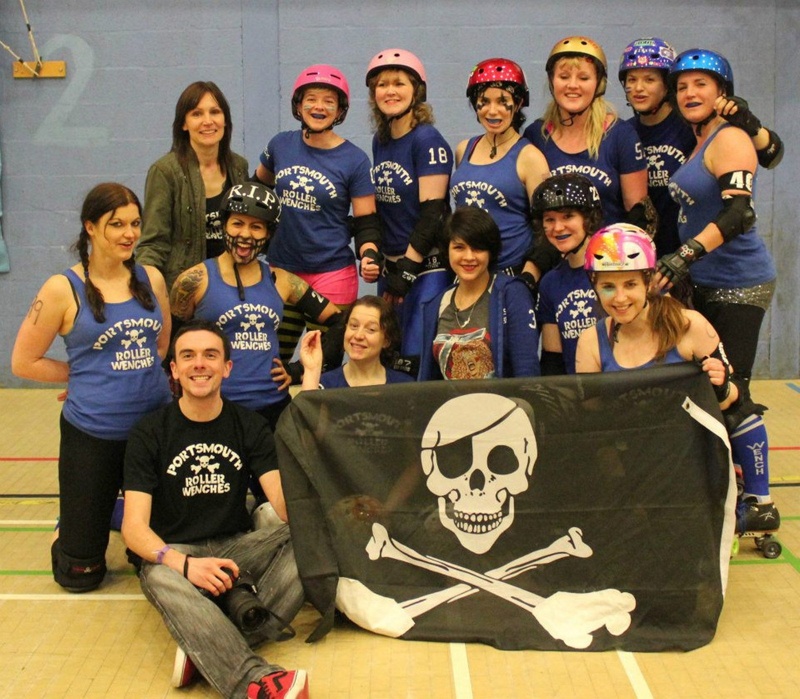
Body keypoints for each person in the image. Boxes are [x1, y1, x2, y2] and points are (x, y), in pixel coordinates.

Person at [122, 320, 308, 698]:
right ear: (174, 369)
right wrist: (184, 565)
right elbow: (134, 529)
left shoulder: (251, 426)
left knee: (310, 537)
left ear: (227, 367)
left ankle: (203, 645)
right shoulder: (149, 432)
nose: (199, 364)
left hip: (238, 551)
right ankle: (253, 681)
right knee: (156, 574)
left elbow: (286, 509)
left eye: (211, 355)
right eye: (187, 356)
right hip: (179, 557)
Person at [11, 183, 172, 592]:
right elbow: (23, 362)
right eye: (116, 224)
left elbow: (162, 344)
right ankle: (81, 518)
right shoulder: (61, 288)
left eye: (135, 223)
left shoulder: (151, 277)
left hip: (153, 433)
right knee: (80, 577)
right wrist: (80, 373)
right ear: (90, 228)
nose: (128, 233)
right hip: (93, 435)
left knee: (156, 563)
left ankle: (118, 511)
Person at [653, 48, 779, 532]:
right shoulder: (701, 136)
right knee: (712, 385)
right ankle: (729, 490)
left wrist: (685, 255)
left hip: (739, 283)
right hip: (709, 281)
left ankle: (761, 502)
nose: (688, 93)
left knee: (729, 389)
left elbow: (738, 214)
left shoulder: (728, 137)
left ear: (721, 91)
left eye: (700, 85)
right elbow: (775, 151)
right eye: (682, 86)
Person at [170, 182, 343, 433]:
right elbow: (170, 344)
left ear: (268, 233)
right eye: (238, 223)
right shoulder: (194, 280)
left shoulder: (282, 280)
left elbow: (339, 321)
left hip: (272, 406)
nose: (246, 235)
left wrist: (297, 371)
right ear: (224, 225)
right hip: (214, 406)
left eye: (256, 226)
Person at [253, 64, 381, 361]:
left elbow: (366, 221)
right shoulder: (281, 144)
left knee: (323, 365)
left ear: (340, 111)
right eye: (311, 98)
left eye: (329, 101)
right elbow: (257, 188)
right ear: (299, 105)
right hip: (282, 271)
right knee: (272, 361)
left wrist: (370, 253)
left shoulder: (354, 160)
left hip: (330, 273)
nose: (319, 106)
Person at [617, 37, 784, 260]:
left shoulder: (691, 123)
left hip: (696, 251)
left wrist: (750, 124)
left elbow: (771, 156)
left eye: (649, 79)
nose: (638, 88)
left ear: (666, 86)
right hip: (649, 252)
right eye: (632, 79)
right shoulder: (623, 132)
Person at [523, 36, 651, 265]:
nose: (573, 85)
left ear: (598, 84)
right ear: (552, 82)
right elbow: (531, 214)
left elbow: (640, 215)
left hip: (610, 263)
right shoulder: (537, 135)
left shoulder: (620, 135)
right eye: (564, 77)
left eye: (583, 78)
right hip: (553, 265)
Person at [365, 48, 453, 376]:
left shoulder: (427, 140)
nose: (390, 91)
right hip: (394, 269)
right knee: (386, 360)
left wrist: (407, 270)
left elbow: (433, 215)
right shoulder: (381, 140)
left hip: (425, 267)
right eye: (382, 84)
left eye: (399, 83)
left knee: (415, 363)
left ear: (416, 91)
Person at [136, 81, 249, 291]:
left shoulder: (239, 167)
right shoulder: (165, 171)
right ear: (184, 124)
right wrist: (145, 292)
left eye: (215, 112)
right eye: (197, 114)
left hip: (233, 287)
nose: (208, 121)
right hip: (183, 291)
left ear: (225, 120)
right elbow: (153, 243)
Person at [449, 58, 550, 282]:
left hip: (510, 275)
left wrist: (529, 277)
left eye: (503, 101)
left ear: (519, 102)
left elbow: (546, 228)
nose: (492, 111)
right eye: (484, 101)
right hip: (467, 273)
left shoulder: (530, 157)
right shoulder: (464, 149)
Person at [418, 207, 540, 380]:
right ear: (447, 251)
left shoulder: (512, 293)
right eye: (459, 247)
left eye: (477, 249)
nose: (469, 257)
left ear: (491, 252)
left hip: (502, 405)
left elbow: (527, 369)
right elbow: (428, 380)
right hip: (451, 406)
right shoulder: (436, 304)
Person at [533, 174, 604, 374]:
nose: (558, 227)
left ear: (589, 219)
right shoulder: (550, 283)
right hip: (580, 396)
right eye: (550, 219)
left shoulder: (621, 266)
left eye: (567, 216)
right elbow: (553, 359)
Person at [300, 295, 414, 389]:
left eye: (371, 329)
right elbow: (305, 415)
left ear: (386, 340)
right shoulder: (325, 384)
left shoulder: (403, 386)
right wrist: (311, 370)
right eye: (354, 326)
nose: (358, 336)